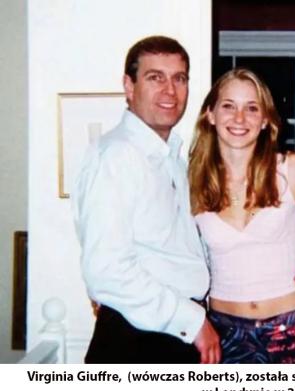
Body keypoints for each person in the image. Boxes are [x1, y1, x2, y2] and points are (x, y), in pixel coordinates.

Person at [188, 68, 295, 363]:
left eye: (252, 108)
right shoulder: (191, 181)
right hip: (221, 335)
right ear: (210, 115)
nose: (239, 118)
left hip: (291, 330)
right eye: (228, 106)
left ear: (265, 120)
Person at [72, 35, 221, 363]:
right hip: (139, 339)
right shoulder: (117, 156)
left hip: (172, 333)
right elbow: (107, 270)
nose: (170, 91)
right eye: (156, 77)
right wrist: (192, 321)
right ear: (129, 85)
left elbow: (185, 254)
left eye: (179, 79)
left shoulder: (173, 158)